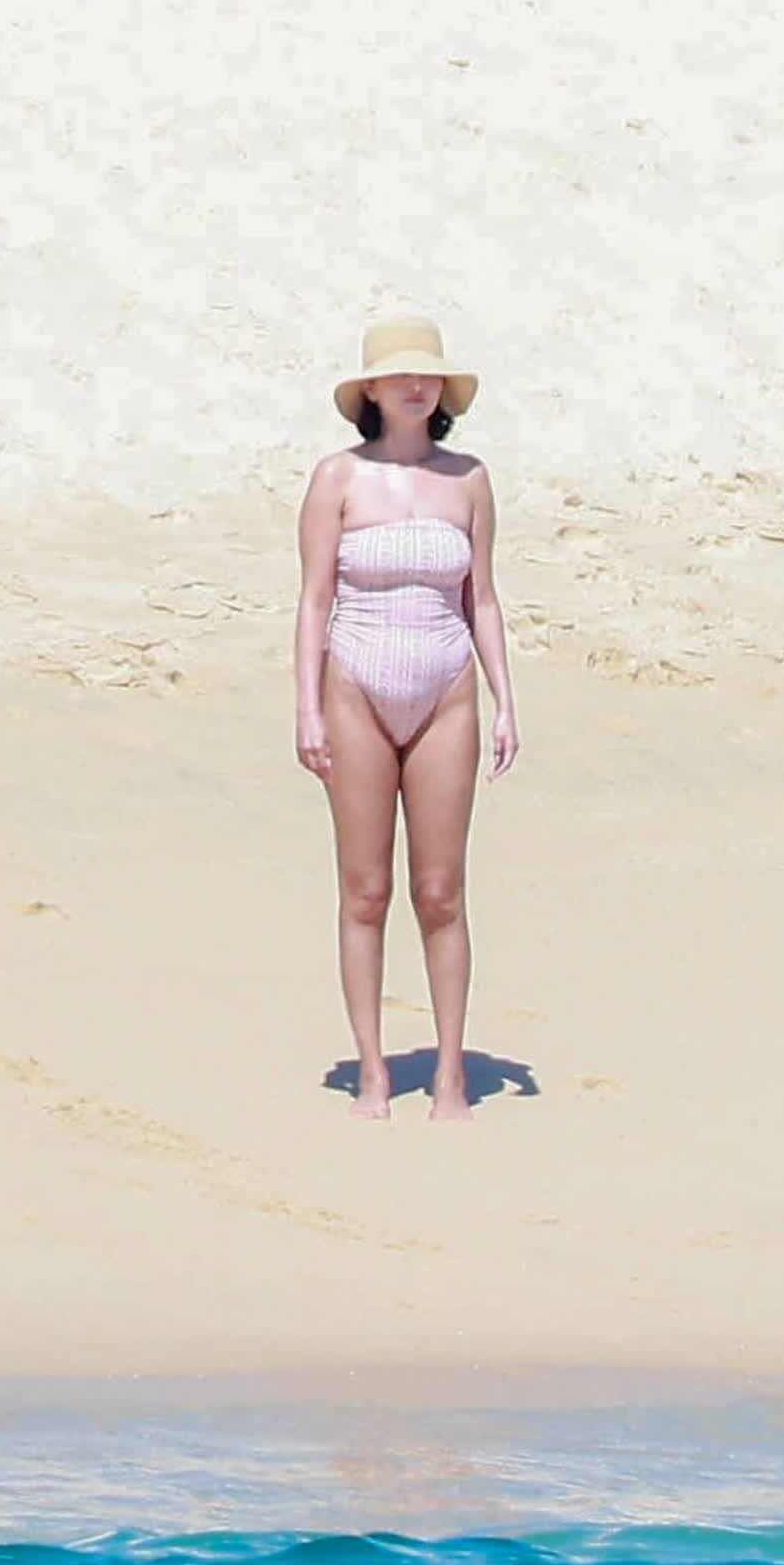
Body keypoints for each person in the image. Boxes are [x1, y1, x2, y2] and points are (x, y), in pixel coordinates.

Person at [294, 315, 520, 1121]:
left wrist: (504, 699)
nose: (416, 387)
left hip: (446, 687)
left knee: (440, 891)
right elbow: (314, 600)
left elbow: (481, 598)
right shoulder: (337, 478)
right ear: (373, 391)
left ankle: (451, 1073)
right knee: (365, 890)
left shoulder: (468, 479)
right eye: (400, 376)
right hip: (354, 684)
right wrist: (307, 709)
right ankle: (372, 1070)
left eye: (427, 376)